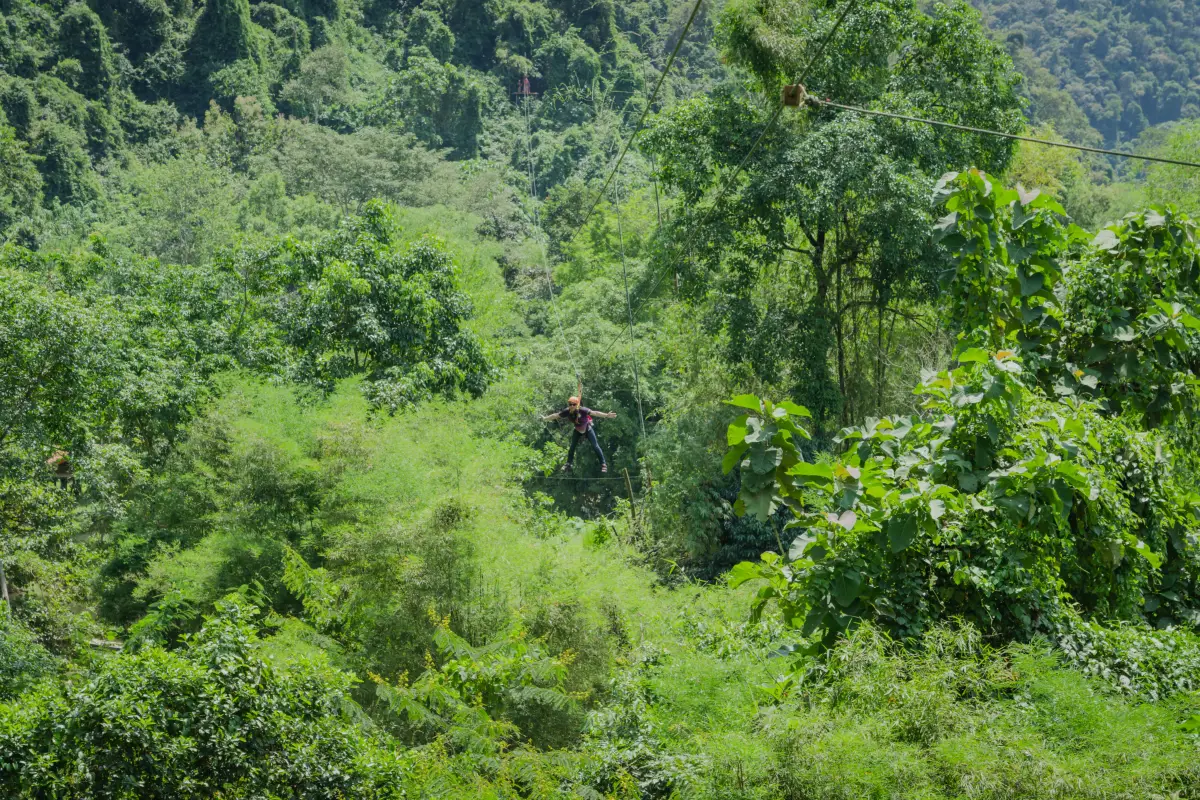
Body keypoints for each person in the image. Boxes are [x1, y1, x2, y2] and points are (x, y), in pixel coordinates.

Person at [542, 397, 617, 473]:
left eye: (573, 404)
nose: (571, 406)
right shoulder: (567, 411)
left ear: (577, 405)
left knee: (595, 446)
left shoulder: (583, 410)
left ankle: (603, 464)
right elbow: (555, 415)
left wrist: (606, 415)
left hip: (587, 429)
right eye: (570, 404)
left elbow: (595, 413)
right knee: (572, 447)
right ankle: (568, 464)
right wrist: (545, 418)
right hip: (577, 430)